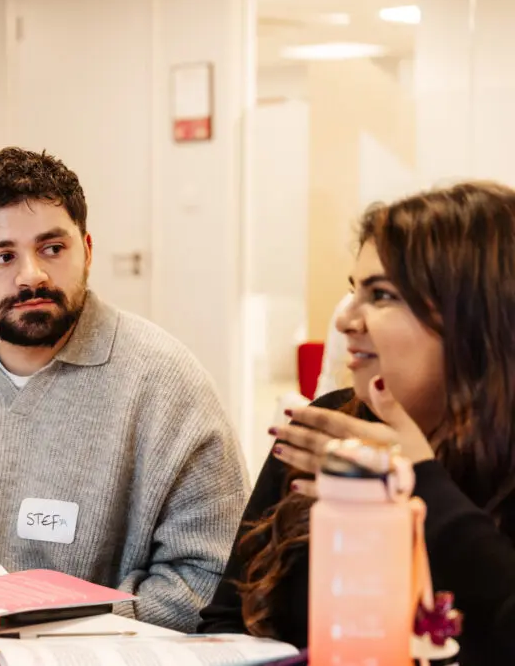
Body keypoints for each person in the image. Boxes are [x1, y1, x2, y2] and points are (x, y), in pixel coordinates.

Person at [0, 147, 249, 631]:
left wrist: (42, 627)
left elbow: (206, 579)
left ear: (88, 251)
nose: (31, 274)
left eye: (52, 249)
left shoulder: (167, 382)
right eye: (2, 256)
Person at [198, 182, 515, 665]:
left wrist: (418, 480)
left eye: (382, 295)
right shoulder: (330, 430)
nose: (346, 319)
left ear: (477, 316)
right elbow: (227, 624)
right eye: (354, 292)